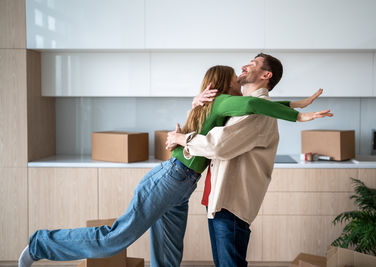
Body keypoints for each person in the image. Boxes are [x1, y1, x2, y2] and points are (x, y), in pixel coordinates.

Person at [19, 63, 331, 267]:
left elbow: (258, 105)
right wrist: (298, 116)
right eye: (235, 77)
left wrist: (294, 103)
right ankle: (40, 244)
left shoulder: (215, 105)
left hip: (180, 185)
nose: (240, 77)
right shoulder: (223, 102)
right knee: (116, 237)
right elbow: (252, 104)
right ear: (226, 85)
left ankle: (42, 244)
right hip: (171, 178)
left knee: (168, 259)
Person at [166, 53, 331, 266]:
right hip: (220, 202)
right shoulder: (244, 105)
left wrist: (180, 139)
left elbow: (217, 145)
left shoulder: (257, 111)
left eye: (252, 64)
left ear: (266, 74)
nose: (243, 66)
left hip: (231, 204)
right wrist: (195, 105)